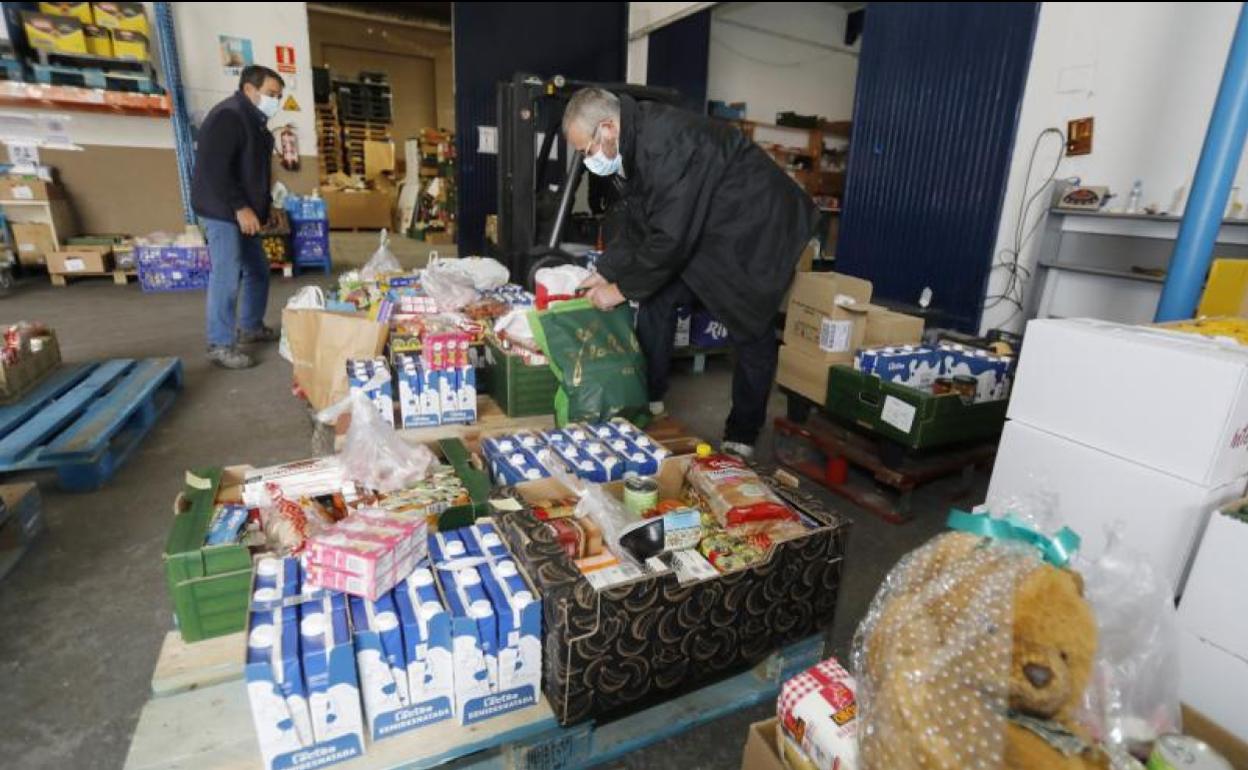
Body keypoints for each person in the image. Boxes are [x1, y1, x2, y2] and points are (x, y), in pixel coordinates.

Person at [563, 88, 818, 458]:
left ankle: (742, 434)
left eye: (586, 150)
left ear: (607, 127)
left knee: (751, 325)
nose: (588, 160)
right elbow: (640, 220)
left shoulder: (667, 146)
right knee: (658, 299)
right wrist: (606, 271)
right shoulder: (635, 145)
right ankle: (649, 396)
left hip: (757, 227)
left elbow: (669, 239)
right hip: (710, 226)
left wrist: (619, 290)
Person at [191, 65, 285, 369]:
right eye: (271, 94)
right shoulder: (229, 116)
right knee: (227, 272)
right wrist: (240, 207)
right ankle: (220, 344)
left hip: (243, 210)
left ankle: (251, 327)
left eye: (279, 96)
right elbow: (214, 169)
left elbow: (256, 174)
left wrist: (265, 207)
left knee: (257, 268)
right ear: (249, 89)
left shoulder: (256, 123)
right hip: (222, 210)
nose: (276, 101)